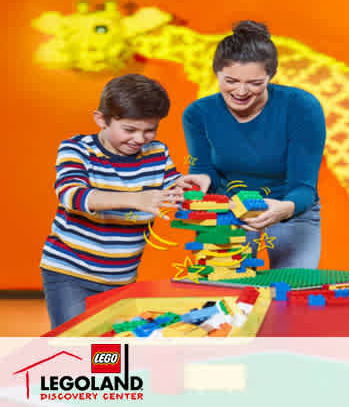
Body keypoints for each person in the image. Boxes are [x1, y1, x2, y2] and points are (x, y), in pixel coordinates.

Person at [40, 74, 209, 329]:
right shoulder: (77, 149)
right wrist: (136, 199)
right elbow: (72, 195)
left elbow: (172, 187)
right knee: (76, 340)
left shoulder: (157, 153)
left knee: (111, 344)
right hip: (70, 272)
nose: (140, 139)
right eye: (129, 130)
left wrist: (187, 187)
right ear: (101, 120)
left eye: (149, 130)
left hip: (122, 276)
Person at [183, 21, 326, 269]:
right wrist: (201, 180)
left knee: (289, 295)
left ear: (270, 76)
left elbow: (304, 186)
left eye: (255, 83)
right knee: (225, 292)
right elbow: (204, 169)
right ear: (216, 73)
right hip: (228, 210)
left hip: (289, 208)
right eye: (230, 80)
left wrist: (284, 209)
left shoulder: (302, 107)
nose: (241, 91)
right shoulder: (198, 113)